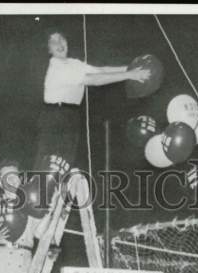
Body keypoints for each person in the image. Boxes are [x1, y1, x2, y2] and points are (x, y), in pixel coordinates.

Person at [35, 31, 151, 172]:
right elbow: (95, 80)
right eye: (54, 42)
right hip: (55, 117)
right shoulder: (58, 68)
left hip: (71, 116)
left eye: (62, 39)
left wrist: (131, 68)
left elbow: (101, 70)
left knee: (64, 165)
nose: (59, 44)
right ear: (49, 49)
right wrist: (131, 75)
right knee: (49, 164)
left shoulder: (74, 63)